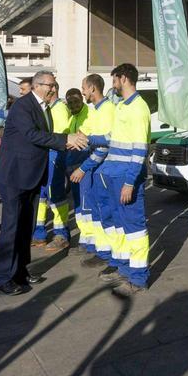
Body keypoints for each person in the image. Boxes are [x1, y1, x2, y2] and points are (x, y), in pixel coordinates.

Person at [0, 70, 88, 295]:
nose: (54, 89)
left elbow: (44, 139)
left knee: (25, 227)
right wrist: (66, 140)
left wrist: (67, 143)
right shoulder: (23, 106)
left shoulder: (44, 108)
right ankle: (4, 278)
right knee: (11, 228)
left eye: (55, 85)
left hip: (32, 175)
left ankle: (20, 271)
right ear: (38, 85)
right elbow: (32, 135)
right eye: (51, 85)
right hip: (16, 176)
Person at [97, 62, 151, 299]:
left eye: (114, 80)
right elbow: (112, 138)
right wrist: (85, 138)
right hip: (114, 175)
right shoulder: (121, 106)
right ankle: (124, 269)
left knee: (134, 229)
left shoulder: (138, 108)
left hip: (126, 178)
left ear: (124, 79)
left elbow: (140, 149)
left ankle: (138, 278)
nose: (113, 85)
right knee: (120, 226)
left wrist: (130, 182)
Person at [34, 88, 87, 251]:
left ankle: (61, 234)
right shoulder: (48, 108)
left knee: (56, 194)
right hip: (48, 155)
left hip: (58, 155)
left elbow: (65, 136)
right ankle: (39, 232)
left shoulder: (60, 109)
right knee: (43, 195)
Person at [70, 74, 114, 266]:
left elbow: (104, 147)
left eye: (84, 88)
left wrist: (82, 168)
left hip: (103, 168)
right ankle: (101, 249)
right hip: (96, 169)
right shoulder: (95, 110)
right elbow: (82, 135)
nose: (83, 92)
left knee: (105, 213)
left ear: (93, 89)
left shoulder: (107, 110)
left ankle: (107, 254)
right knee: (95, 211)